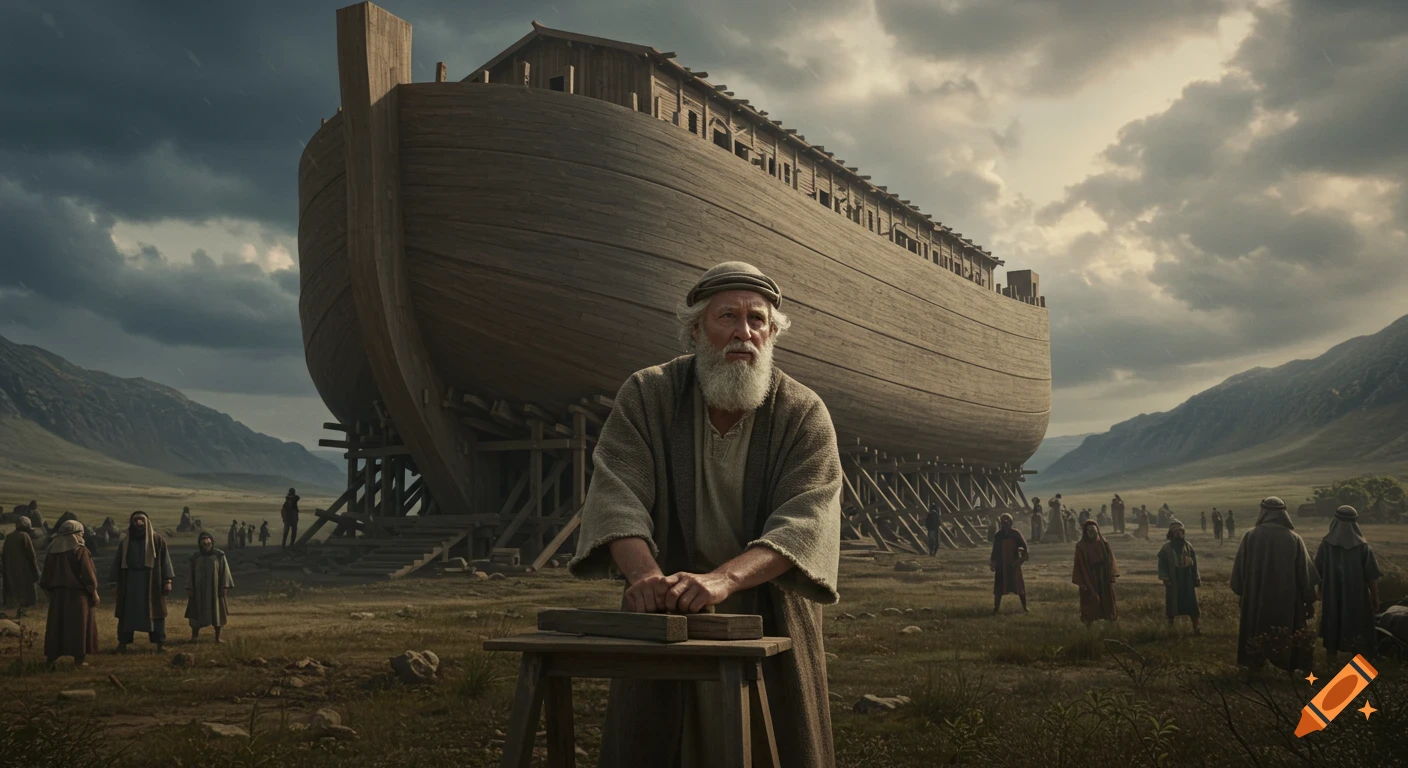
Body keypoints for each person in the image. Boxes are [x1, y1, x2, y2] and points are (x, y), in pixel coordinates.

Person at [567, 261, 841, 767]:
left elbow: (807, 516)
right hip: (666, 618)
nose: (744, 332)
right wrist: (644, 576)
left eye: (758, 320)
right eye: (728, 317)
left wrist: (723, 580)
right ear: (696, 329)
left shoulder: (803, 411)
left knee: (770, 746)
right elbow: (615, 491)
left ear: (773, 333)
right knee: (653, 741)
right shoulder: (648, 394)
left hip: (766, 617)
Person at [1229, 497, 1318, 674]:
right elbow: (1305, 574)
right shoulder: (1294, 539)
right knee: (1288, 629)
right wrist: (1309, 601)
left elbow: (1239, 572)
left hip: (1256, 598)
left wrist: (1244, 594)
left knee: (1255, 628)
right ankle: (1289, 667)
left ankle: (1254, 666)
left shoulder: (1250, 536)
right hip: (1287, 600)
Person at [1314, 506, 1382, 665]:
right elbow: (1371, 576)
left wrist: (1319, 592)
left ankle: (1331, 663)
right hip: (1357, 597)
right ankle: (1356, 667)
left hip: (1332, 595)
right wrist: (1375, 598)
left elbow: (1318, 570)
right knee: (1357, 625)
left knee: (1333, 622)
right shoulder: (1363, 546)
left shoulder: (1326, 544)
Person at [109, 511, 175, 653]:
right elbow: (117, 563)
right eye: (135, 520)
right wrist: (115, 584)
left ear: (147, 522)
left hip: (152, 583)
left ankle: (160, 644)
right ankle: (122, 644)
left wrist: (168, 580)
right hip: (129, 583)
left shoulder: (157, 540)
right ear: (131, 523)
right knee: (126, 614)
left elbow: (165, 561)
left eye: (141, 520)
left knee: (156, 613)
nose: (138, 523)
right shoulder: (125, 541)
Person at [39, 520, 100, 668]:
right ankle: (79, 660)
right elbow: (88, 575)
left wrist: (50, 591)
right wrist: (94, 592)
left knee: (57, 627)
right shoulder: (80, 550)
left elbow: (45, 578)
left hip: (58, 596)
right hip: (78, 596)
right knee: (79, 626)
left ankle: (51, 660)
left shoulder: (52, 551)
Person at [186, 531, 234, 643]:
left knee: (217, 612)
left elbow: (224, 571)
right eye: (203, 538)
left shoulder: (219, 555)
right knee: (195, 613)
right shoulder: (195, 556)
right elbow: (190, 573)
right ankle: (194, 637)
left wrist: (224, 587)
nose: (206, 540)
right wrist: (190, 588)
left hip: (214, 590)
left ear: (212, 541)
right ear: (200, 542)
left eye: (208, 538)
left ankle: (217, 638)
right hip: (198, 591)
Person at [1158, 521, 1201, 635]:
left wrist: (1196, 578)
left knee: (1192, 604)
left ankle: (1196, 627)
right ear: (1171, 534)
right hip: (1173, 579)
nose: (1178, 534)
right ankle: (1170, 628)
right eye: (1176, 531)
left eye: (1180, 531)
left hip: (1187, 579)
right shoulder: (1165, 549)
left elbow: (1194, 563)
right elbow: (1162, 564)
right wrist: (1165, 578)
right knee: (1172, 604)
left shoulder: (1188, 546)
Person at [1072, 520, 1117, 627]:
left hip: (1103, 575)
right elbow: (1078, 564)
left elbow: (1110, 559)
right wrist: (1081, 581)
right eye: (1089, 530)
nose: (1091, 532)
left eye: (1093, 530)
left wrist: (1111, 574)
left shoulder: (1104, 543)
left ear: (1097, 530)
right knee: (1090, 598)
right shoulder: (1081, 546)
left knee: (1106, 597)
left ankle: (1109, 620)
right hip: (1089, 575)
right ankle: (1089, 623)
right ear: (1085, 532)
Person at [990, 513, 1029, 614]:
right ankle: (996, 608)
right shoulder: (998, 535)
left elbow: (1024, 547)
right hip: (1001, 564)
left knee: (1019, 586)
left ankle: (1025, 608)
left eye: (1008, 521)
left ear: (1011, 522)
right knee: (999, 588)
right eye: (1003, 522)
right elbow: (995, 550)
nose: (1006, 524)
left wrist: (1020, 559)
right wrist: (993, 562)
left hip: (1013, 564)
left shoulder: (1015, 533)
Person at [2, 518, 41, 618]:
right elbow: (31, 556)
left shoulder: (9, 537)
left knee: (15, 594)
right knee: (26, 595)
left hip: (11, 571)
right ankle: (20, 613)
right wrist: (36, 572)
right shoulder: (24, 536)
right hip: (24, 572)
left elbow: (4, 555)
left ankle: (15, 612)